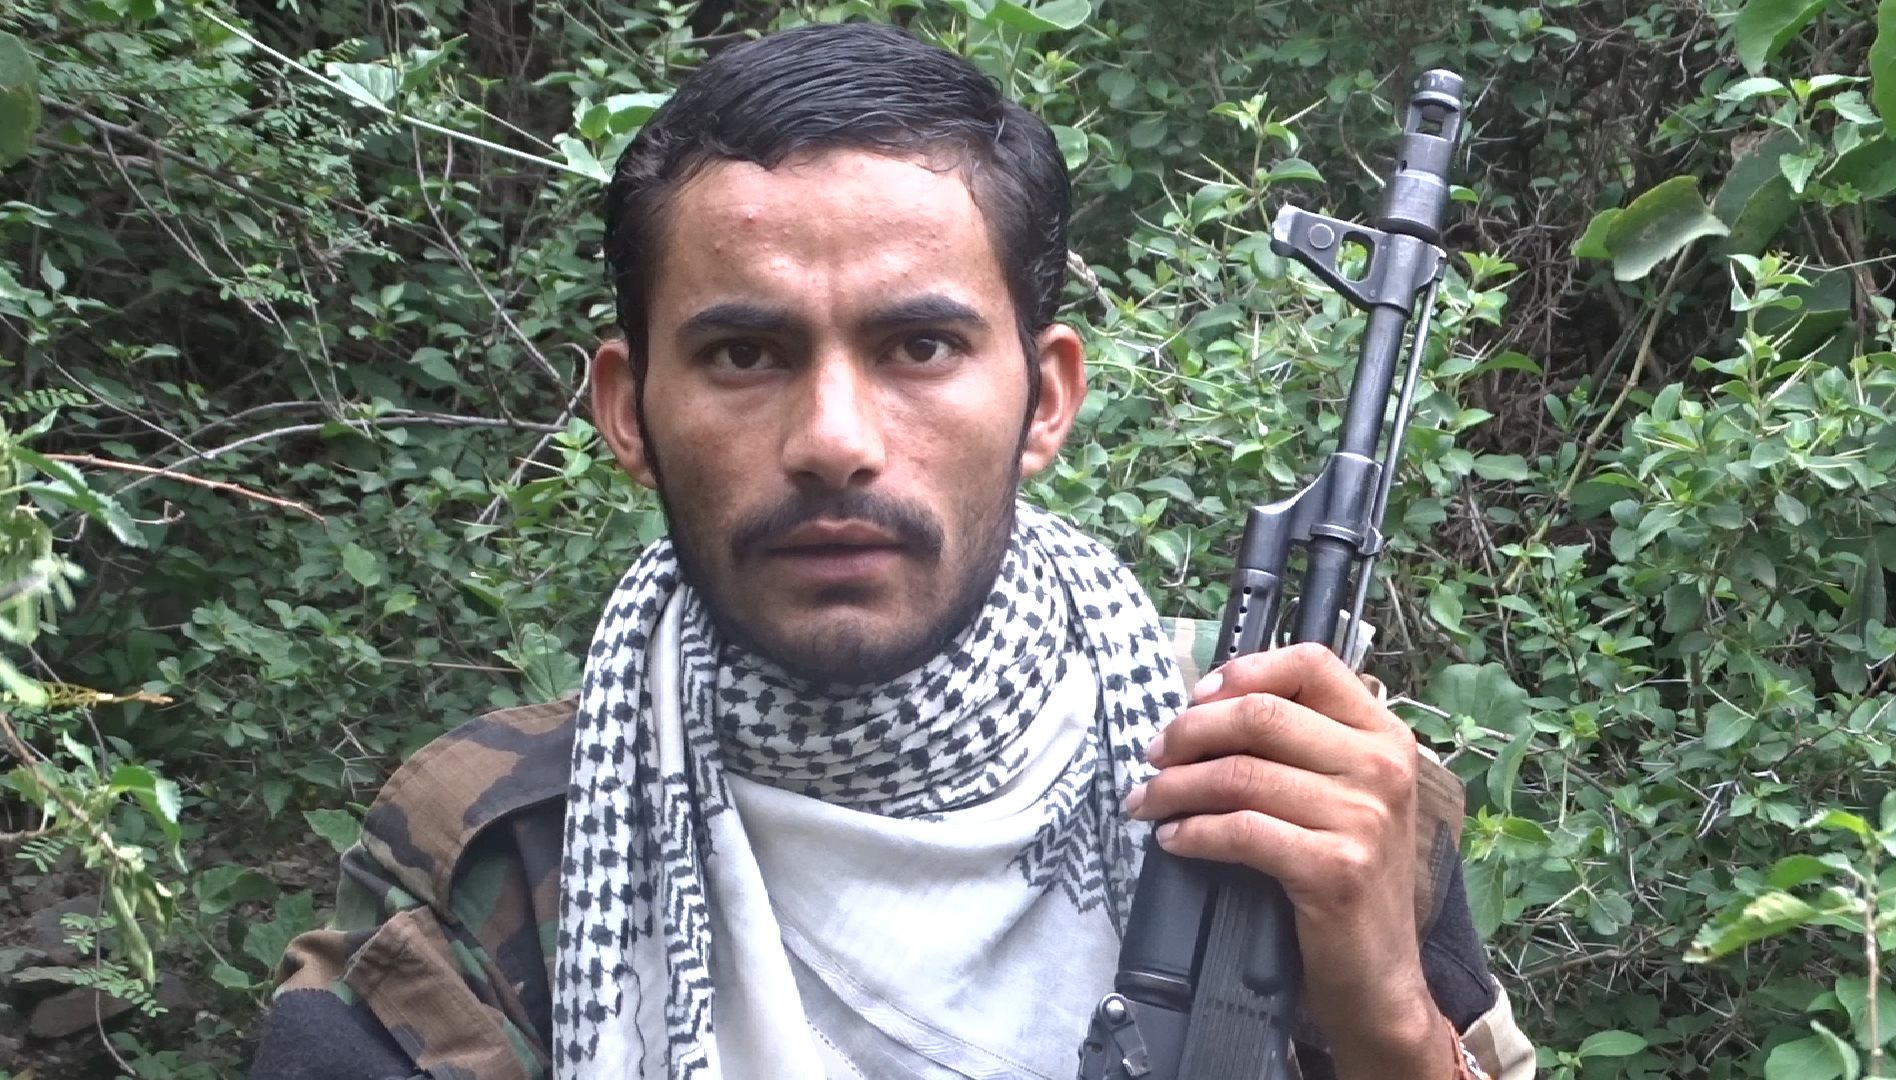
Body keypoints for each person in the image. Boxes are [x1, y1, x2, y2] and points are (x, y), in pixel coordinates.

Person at [250, 21, 1534, 1080]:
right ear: (630, 412)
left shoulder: (1283, 778)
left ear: (1044, 401)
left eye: (919, 347)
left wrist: (1391, 1025)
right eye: (744, 353)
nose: (834, 441)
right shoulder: (499, 843)